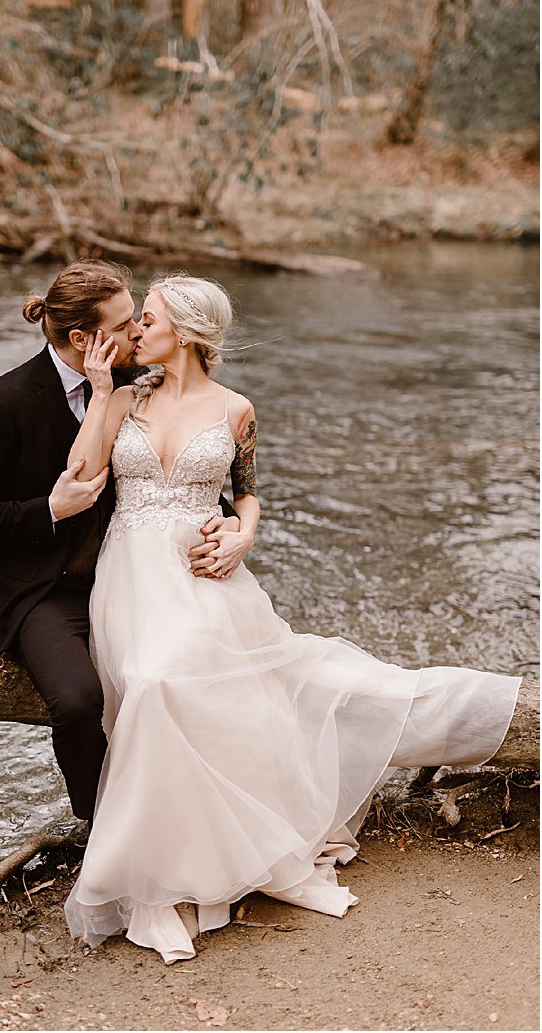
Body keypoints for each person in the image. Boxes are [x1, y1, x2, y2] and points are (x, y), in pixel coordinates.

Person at [61, 272, 522, 962]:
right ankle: (153, 881)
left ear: (184, 332)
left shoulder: (237, 410)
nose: (135, 332)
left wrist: (243, 533)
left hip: (208, 573)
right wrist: (98, 395)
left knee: (220, 684)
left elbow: (246, 496)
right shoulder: (123, 396)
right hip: (132, 574)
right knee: (155, 681)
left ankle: (210, 858)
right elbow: (81, 473)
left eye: (147, 320)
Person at [0, 260, 243, 824]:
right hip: (47, 591)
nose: (137, 332)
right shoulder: (5, 402)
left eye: (139, 320)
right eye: (126, 323)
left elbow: (173, 476)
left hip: (135, 574)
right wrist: (49, 510)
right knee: (80, 703)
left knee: (190, 676)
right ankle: (104, 823)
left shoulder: (139, 383)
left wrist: (229, 523)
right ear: (84, 338)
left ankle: (197, 817)